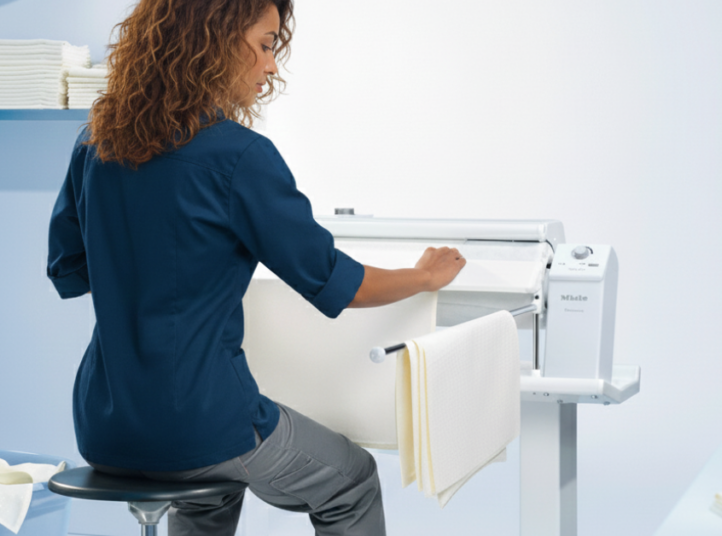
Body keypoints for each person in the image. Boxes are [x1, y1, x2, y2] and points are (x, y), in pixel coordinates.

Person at [46, 1, 465, 535]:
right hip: (202, 423)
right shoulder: (239, 156)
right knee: (352, 479)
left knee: (206, 497)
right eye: (266, 45)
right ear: (215, 41)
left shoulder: (95, 144)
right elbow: (334, 281)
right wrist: (424, 277)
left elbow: (69, 270)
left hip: (104, 426)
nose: (271, 65)